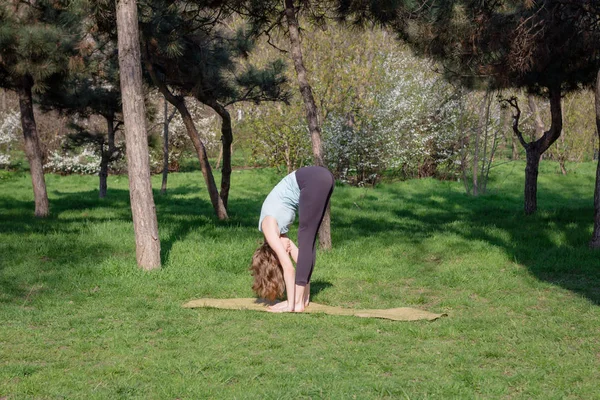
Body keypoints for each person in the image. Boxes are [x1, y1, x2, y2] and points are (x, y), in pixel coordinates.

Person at [250, 166, 334, 312]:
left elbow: (289, 268)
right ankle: (303, 300)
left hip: (311, 179)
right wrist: (304, 295)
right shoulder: (278, 232)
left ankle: (295, 304)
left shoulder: (268, 228)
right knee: (308, 243)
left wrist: (290, 304)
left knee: (306, 238)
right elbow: (302, 260)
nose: (287, 249)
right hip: (324, 177)